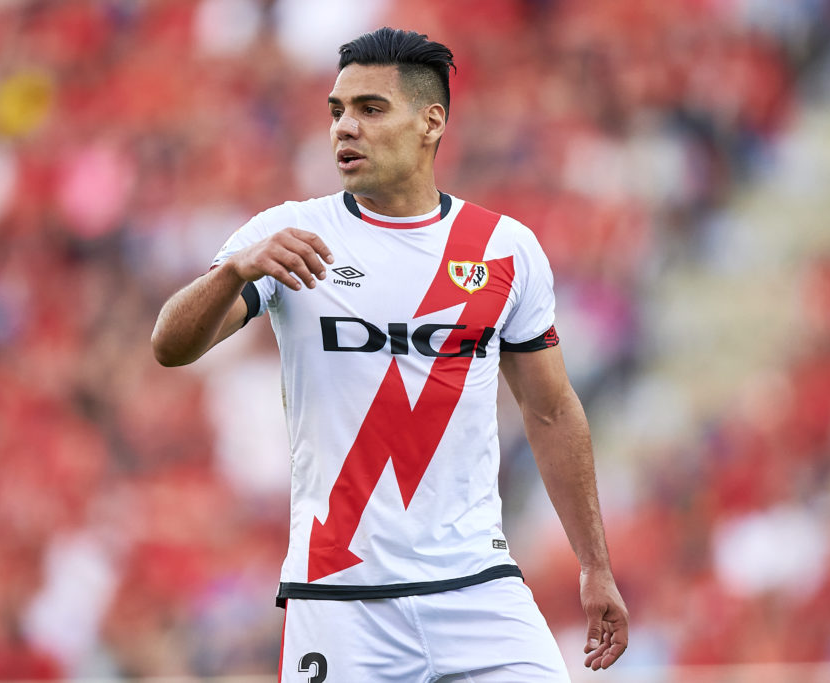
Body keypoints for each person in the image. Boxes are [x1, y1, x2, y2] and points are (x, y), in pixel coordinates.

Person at [152, 27, 628, 682]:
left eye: (370, 109)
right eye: (337, 111)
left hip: (476, 586)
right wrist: (232, 273)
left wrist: (595, 565)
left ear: (431, 121)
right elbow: (170, 347)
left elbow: (550, 411)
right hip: (341, 595)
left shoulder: (504, 249)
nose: (346, 127)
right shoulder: (286, 235)